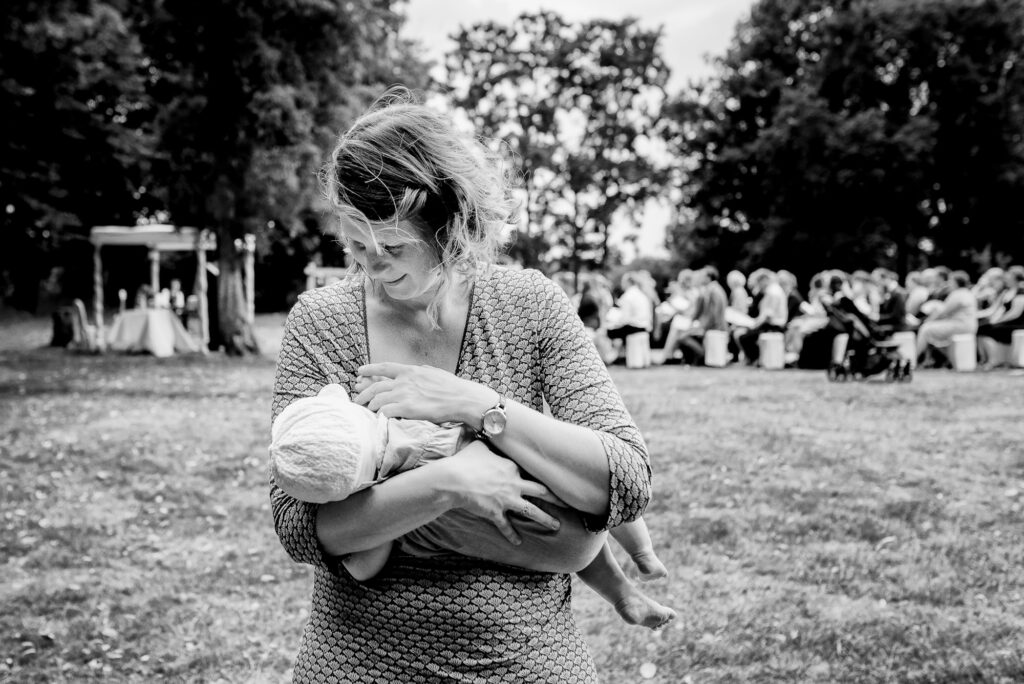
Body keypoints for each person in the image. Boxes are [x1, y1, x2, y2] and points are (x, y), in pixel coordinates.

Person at [271, 89, 663, 682]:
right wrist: (448, 485)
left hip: (526, 662)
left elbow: (627, 482)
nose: (371, 265)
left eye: (393, 246)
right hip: (358, 663)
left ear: (450, 225)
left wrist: (477, 405)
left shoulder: (529, 304)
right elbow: (298, 527)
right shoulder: (322, 321)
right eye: (356, 245)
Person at [269, 383, 673, 629]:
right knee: (592, 489)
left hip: (558, 550)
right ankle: (641, 553)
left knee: (577, 528)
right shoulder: (415, 421)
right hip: (563, 494)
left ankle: (622, 592)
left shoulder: (389, 501)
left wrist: (371, 525)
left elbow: (364, 566)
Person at [916, 270, 978, 366]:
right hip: (968, 325)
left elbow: (943, 312)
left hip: (960, 326)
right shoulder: (967, 293)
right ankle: (936, 359)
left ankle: (914, 358)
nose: (948, 283)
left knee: (925, 329)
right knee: (929, 328)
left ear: (956, 282)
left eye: (950, 281)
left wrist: (928, 320)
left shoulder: (957, 294)